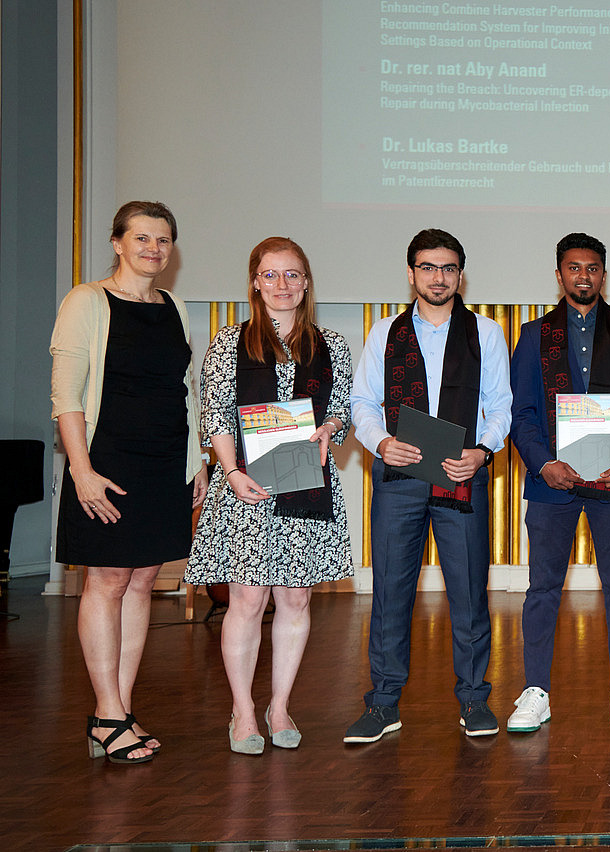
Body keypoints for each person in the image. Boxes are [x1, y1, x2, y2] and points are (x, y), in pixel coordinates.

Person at [52, 201, 207, 763]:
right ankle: (107, 714)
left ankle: (120, 707)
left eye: (163, 240)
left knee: (143, 582)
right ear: (117, 242)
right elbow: (66, 398)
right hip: (107, 461)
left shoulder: (174, 306)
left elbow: (185, 393)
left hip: (166, 464)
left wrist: (197, 465)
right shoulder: (86, 301)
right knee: (109, 581)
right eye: (142, 237)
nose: (153, 249)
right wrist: (82, 471)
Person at [343, 229, 512, 743]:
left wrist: (481, 452)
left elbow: (501, 406)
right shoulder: (383, 334)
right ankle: (384, 705)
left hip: (461, 478)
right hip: (399, 479)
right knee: (391, 593)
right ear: (411, 271)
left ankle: (473, 700)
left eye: (449, 268)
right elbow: (364, 405)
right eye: (428, 267)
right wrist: (380, 444)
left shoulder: (485, 333)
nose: (439, 277)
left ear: (461, 274)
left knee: (469, 595)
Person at [185, 237, 353, 754]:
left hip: (306, 483)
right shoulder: (227, 343)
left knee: (296, 598)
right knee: (247, 600)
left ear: (306, 282)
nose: (283, 285)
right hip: (246, 488)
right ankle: (241, 711)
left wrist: (330, 429)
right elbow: (215, 417)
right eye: (271, 274)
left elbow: (340, 411)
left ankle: (279, 706)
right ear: (255, 282)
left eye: (293, 274)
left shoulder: (333, 344)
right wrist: (230, 472)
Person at [507, 233, 610, 730]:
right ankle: (535, 691)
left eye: (592, 268)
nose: (583, 276)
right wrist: (542, 463)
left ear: (603, 276)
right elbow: (522, 413)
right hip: (552, 483)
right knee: (542, 588)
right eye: (574, 268)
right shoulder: (533, 335)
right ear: (559, 275)